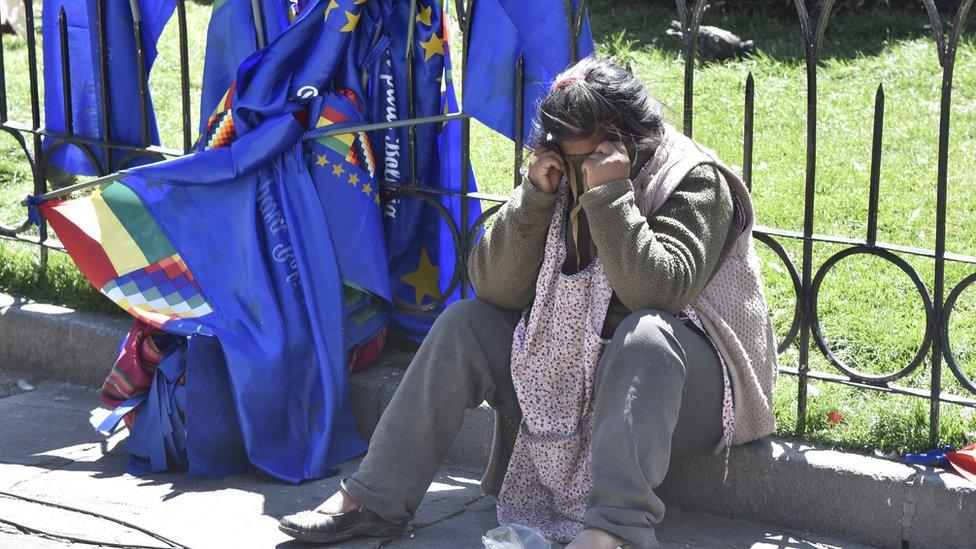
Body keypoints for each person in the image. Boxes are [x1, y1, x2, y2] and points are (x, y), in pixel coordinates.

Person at [279, 55, 778, 548]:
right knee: (464, 323)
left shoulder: (695, 180)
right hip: (573, 368)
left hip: (686, 388)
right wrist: (535, 200)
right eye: (566, 154)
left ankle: (614, 532)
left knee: (645, 335)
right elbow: (494, 287)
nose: (577, 171)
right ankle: (374, 500)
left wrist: (610, 197)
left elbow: (657, 293)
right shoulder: (558, 168)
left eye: (586, 158)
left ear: (628, 138)